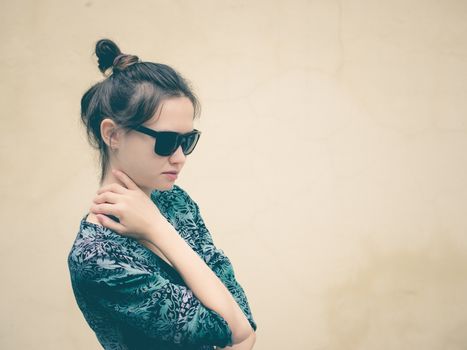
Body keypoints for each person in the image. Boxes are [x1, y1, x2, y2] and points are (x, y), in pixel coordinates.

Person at [67, 38, 257, 350]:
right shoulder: (95, 257)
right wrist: (158, 229)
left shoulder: (173, 201)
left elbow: (244, 322)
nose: (180, 157)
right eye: (167, 141)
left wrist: (158, 225)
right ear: (112, 135)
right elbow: (230, 332)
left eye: (188, 140)